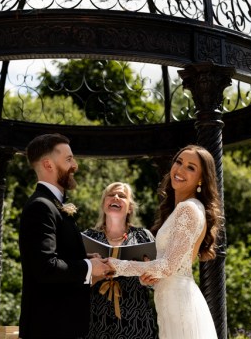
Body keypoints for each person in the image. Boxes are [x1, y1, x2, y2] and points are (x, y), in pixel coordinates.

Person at [108, 144, 223, 339]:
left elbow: (168, 267)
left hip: (182, 306)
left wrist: (114, 265)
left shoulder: (189, 209)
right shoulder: (181, 209)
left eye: (191, 167)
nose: (180, 169)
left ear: (201, 179)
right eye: (179, 162)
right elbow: (173, 267)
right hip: (170, 304)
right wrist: (150, 278)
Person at [18, 133, 112, 339]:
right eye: (68, 159)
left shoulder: (54, 205)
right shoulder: (40, 207)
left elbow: (56, 258)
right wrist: (88, 268)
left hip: (62, 327)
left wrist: (87, 261)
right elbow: (45, 267)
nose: (75, 165)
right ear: (48, 164)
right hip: (48, 328)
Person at [82, 182, 158, 339]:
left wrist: (150, 279)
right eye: (110, 195)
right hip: (95, 320)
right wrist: (96, 274)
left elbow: (158, 278)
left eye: (122, 196)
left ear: (130, 207)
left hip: (136, 321)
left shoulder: (143, 236)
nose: (115, 197)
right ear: (104, 204)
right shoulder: (87, 237)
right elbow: (75, 278)